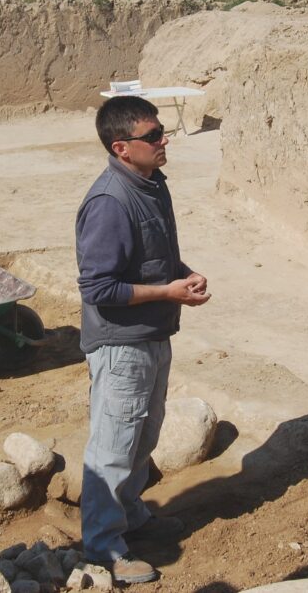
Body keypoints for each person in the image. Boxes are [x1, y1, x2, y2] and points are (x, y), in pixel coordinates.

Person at [76, 95, 210, 584]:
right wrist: (167, 290)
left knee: (144, 432)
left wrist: (182, 274)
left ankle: (129, 515)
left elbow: (152, 254)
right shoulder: (110, 201)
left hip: (152, 332)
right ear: (122, 147)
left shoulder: (151, 184)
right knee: (114, 442)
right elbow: (98, 287)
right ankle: (104, 547)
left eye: (161, 131)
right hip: (121, 343)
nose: (164, 140)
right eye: (153, 136)